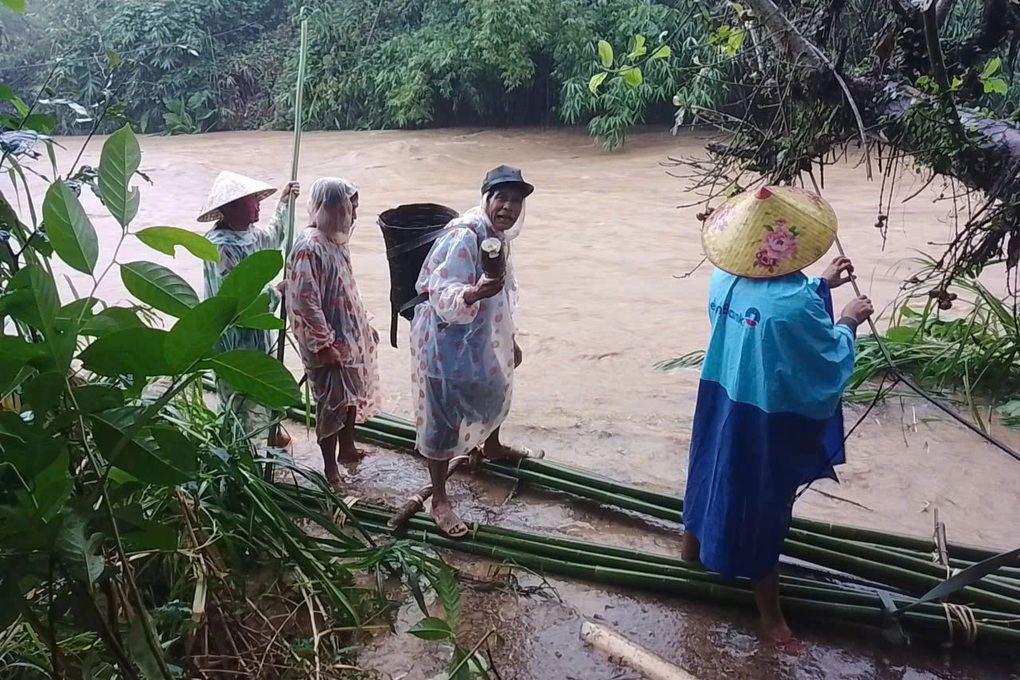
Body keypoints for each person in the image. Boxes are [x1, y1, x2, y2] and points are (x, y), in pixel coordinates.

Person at [680, 186, 875, 646]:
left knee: (707, 469)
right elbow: (825, 359)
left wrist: (820, 285)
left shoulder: (722, 280)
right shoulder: (794, 303)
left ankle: (689, 555)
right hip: (763, 414)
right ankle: (770, 617)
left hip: (720, 393)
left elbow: (767, 302)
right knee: (762, 502)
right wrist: (847, 320)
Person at [411, 166, 544, 538]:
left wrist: (509, 338)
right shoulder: (464, 235)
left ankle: (492, 446)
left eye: (515, 200)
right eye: (501, 198)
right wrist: (473, 293)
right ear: (486, 197)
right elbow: (437, 288)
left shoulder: (496, 235)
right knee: (442, 418)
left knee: (496, 382)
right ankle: (439, 499)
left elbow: (501, 291)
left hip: (480, 334)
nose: (508, 207)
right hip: (445, 341)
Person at [285, 177, 381, 490]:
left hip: (347, 334)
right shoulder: (309, 246)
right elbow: (305, 300)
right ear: (330, 207)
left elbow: (347, 289)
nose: (353, 214)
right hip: (326, 341)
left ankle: (348, 448)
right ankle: (330, 469)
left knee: (350, 395)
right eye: (350, 206)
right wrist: (324, 344)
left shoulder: (336, 243)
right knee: (330, 403)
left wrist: (364, 326)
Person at [199, 170, 300, 448]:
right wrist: (277, 292)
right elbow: (234, 298)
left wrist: (284, 203)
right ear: (231, 208)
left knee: (264, 381)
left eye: (257, 199)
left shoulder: (250, 234)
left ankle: (271, 430)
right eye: (251, 201)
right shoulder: (219, 247)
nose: (258, 204)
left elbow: (274, 237)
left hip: (257, 331)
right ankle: (240, 452)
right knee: (240, 397)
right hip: (232, 337)